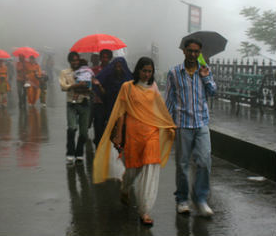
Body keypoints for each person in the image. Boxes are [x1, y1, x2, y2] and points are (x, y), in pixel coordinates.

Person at [93, 57, 176, 226]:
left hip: (151, 132)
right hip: (133, 133)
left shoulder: (153, 88)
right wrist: (118, 135)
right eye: (144, 70)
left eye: (150, 71)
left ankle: (145, 211)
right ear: (137, 70)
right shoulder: (127, 87)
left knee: (151, 168)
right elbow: (121, 112)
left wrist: (168, 125)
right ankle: (125, 187)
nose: (147, 74)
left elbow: (160, 109)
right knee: (133, 169)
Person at [165, 38, 217, 217]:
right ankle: (182, 200)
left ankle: (201, 199)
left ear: (200, 53)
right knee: (183, 164)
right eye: (190, 51)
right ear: (184, 51)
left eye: (197, 52)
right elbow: (170, 99)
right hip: (182, 124)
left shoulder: (205, 71)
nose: (193, 55)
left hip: (202, 123)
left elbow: (213, 92)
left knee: (204, 162)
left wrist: (206, 78)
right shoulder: (173, 72)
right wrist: (168, 123)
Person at [59, 51, 92, 163]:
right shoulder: (65, 72)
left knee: (83, 132)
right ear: (69, 61)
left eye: (77, 60)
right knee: (72, 128)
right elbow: (63, 86)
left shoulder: (85, 71)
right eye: (73, 60)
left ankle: (79, 153)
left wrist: (88, 87)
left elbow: (90, 87)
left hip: (85, 103)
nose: (75, 62)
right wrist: (75, 85)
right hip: (71, 104)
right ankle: (70, 153)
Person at [96, 57, 133, 124]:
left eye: (119, 66)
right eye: (115, 66)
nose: (117, 68)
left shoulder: (129, 78)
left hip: (125, 108)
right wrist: (99, 86)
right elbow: (105, 93)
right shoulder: (109, 78)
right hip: (111, 107)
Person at [90, 49, 113, 148]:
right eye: (103, 57)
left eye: (107, 57)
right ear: (100, 58)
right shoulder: (94, 70)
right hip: (97, 102)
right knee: (98, 125)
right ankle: (98, 145)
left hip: (109, 102)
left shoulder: (113, 70)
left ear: (110, 58)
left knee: (107, 126)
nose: (105, 59)